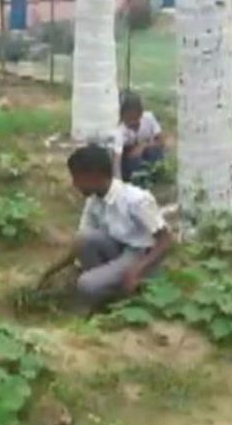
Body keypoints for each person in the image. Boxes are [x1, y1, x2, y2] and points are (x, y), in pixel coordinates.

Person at [38, 145, 172, 308]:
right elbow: (80, 242)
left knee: (86, 284)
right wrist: (52, 271)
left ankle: (124, 296)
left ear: (94, 176)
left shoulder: (135, 200)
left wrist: (137, 270)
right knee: (86, 238)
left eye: (77, 178)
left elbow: (165, 240)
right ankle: (108, 287)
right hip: (119, 250)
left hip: (141, 255)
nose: (74, 184)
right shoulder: (94, 201)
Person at [118, 92, 165, 183]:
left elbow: (161, 141)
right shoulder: (120, 129)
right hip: (129, 156)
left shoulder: (149, 118)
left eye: (134, 117)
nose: (131, 122)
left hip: (146, 152)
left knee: (154, 152)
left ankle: (151, 173)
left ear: (140, 113)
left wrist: (143, 146)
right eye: (127, 118)